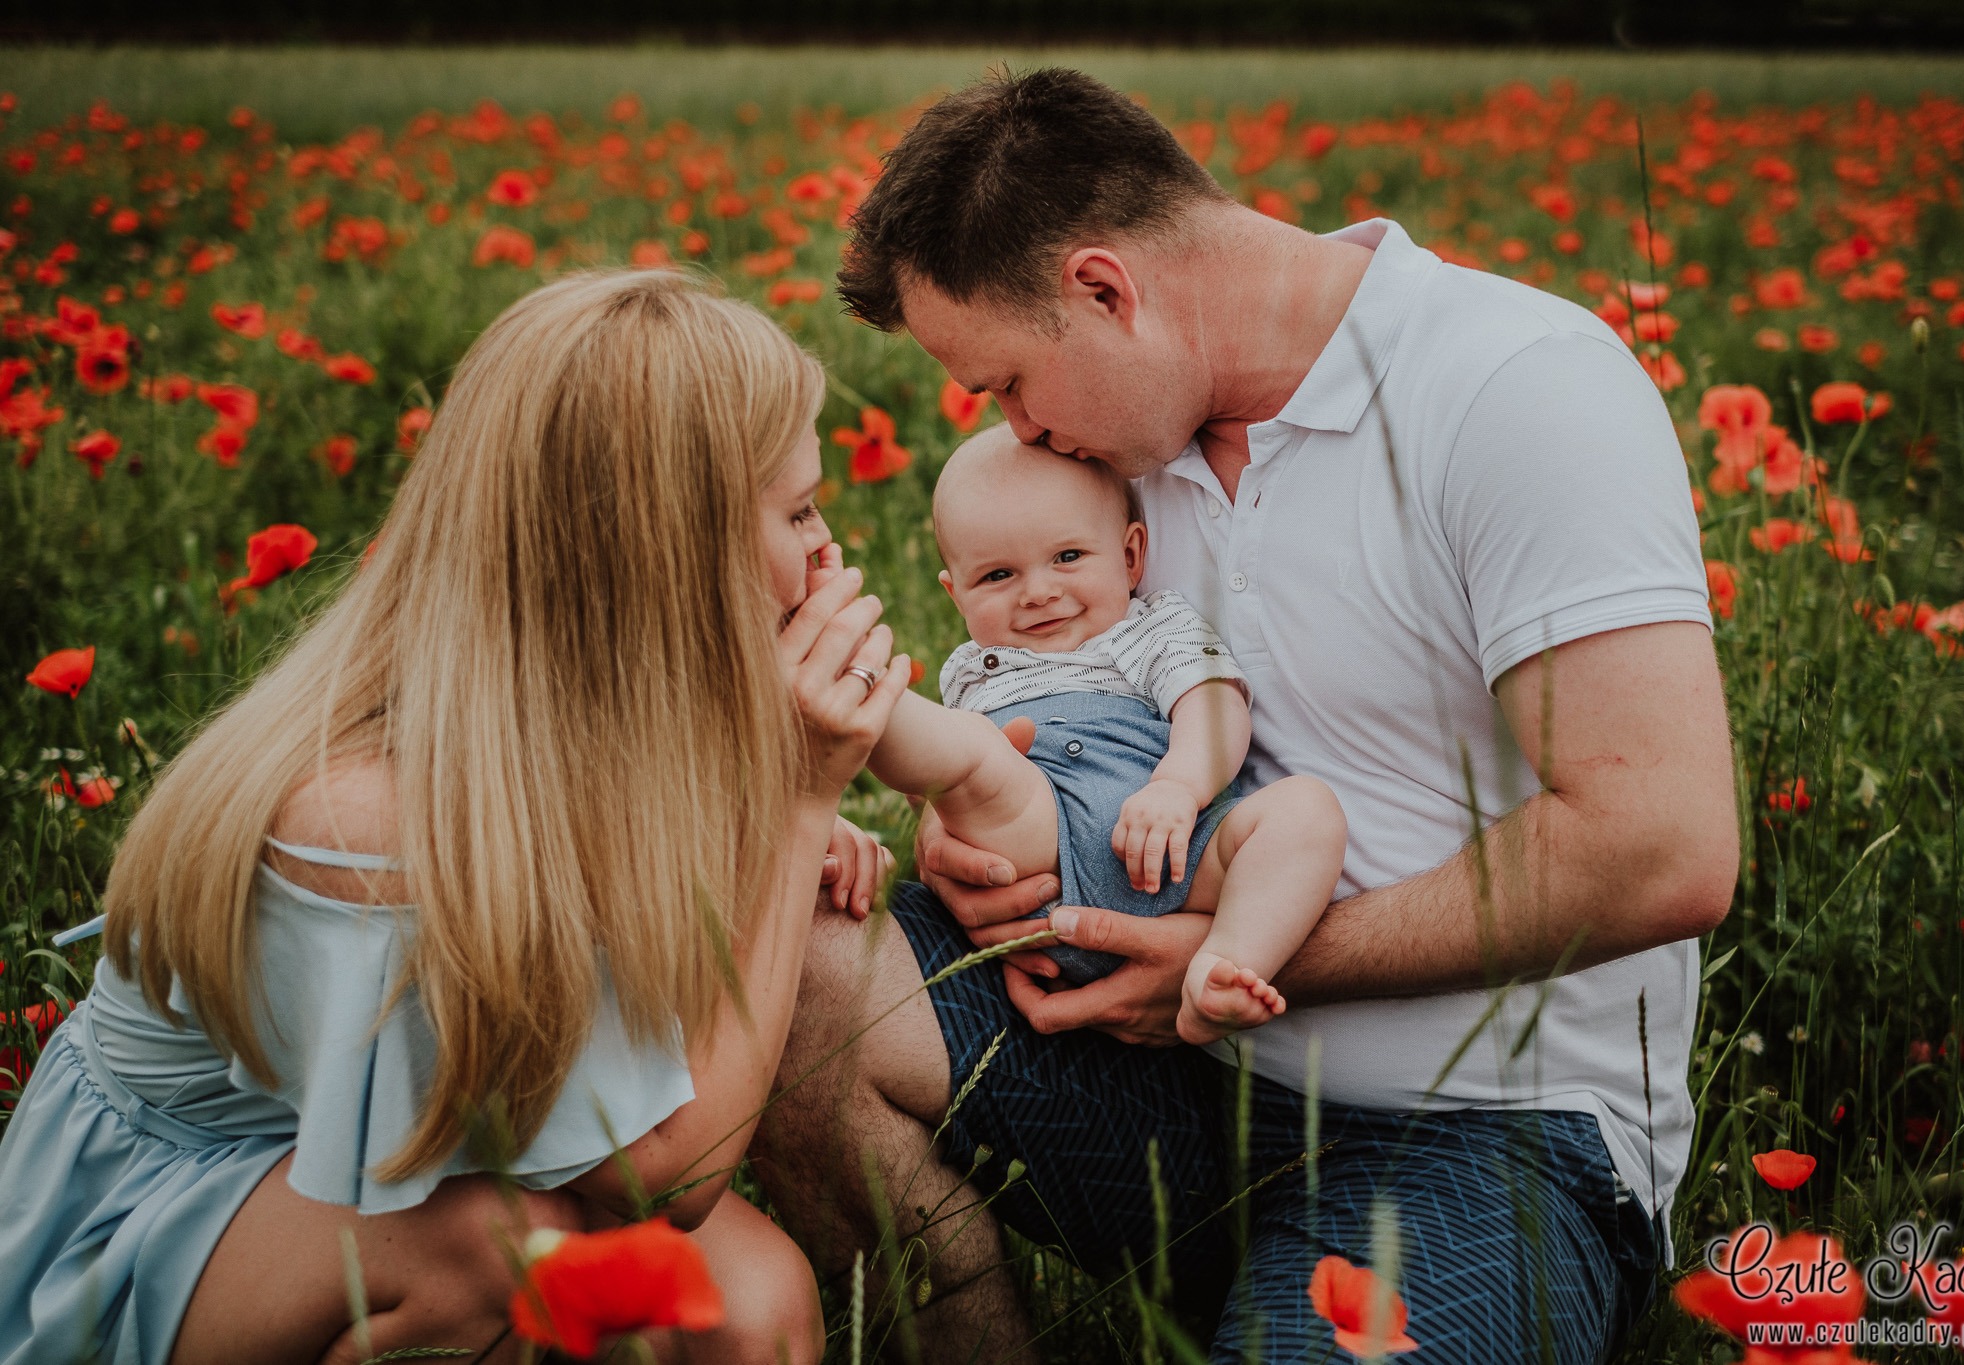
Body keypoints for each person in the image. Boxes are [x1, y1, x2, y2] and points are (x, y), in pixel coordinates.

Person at [753, 69, 1739, 1363]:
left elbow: (1662, 848)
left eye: (1007, 382)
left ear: (1107, 290)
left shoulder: (1514, 387)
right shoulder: (1115, 456)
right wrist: (977, 825)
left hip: (1484, 1122)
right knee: (785, 965)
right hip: (1154, 1068)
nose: (1018, 429)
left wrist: (1233, 961)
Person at [0, 271, 910, 1365]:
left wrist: (760, 820)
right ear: (665, 551)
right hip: (175, 1200)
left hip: (392, 1179)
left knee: (746, 1301)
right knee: (500, 1258)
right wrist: (800, 805)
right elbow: (658, 1176)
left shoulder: (581, 700)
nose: (826, 552)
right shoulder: (360, 821)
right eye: (799, 510)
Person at [856, 428, 1347, 1043]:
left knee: (1308, 812)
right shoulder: (972, 668)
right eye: (998, 575)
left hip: (1182, 852)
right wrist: (935, 812)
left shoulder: (1151, 628)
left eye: (1068, 557)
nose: (1038, 592)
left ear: (1131, 555)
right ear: (955, 594)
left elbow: (1214, 704)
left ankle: (1223, 964)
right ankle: (862, 703)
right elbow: (948, 790)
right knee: (978, 759)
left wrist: (1178, 786)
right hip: (1041, 856)